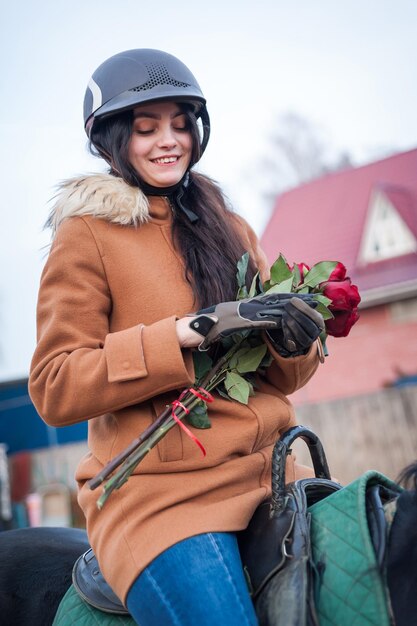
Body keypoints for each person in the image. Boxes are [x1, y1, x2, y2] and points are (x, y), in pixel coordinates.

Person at [29, 49, 325, 626]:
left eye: (180, 123)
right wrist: (185, 333)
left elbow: (281, 376)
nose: (169, 140)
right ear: (112, 140)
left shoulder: (229, 224)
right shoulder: (86, 236)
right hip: (164, 498)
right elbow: (54, 386)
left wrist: (295, 341)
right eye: (146, 128)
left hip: (275, 471)